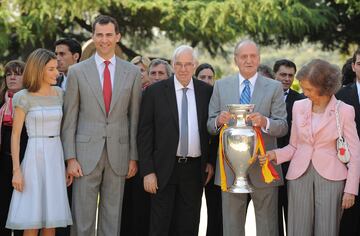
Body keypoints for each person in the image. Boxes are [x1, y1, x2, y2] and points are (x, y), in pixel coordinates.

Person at [61, 15, 141, 236]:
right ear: (93, 36)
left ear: (117, 37)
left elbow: (134, 117)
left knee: (112, 218)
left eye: (108, 35)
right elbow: (70, 119)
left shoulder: (132, 72)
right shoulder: (77, 71)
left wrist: (133, 156)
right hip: (84, 155)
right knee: (82, 219)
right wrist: (70, 158)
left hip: (120, 153)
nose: (104, 40)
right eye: (99, 35)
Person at [262, 59, 360, 236]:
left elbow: (355, 154)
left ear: (324, 87)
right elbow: (294, 146)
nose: (304, 93)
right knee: (297, 230)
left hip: (332, 179)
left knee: (327, 230)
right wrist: (273, 155)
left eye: (308, 89)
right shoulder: (299, 107)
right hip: (298, 176)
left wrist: (351, 190)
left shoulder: (344, 110)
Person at [207, 39, 287, 236]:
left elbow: (283, 126)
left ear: (259, 59)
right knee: (232, 227)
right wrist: (218, 121)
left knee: (268, 227)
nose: (248, 60)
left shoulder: (274, 87)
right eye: (244, 56)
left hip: (264, 166)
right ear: (236, 59)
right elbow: (209, 125)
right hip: (230, 169)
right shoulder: (220, 86)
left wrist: (265, 121)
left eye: (253, 56)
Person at [138, 45, 214, 236]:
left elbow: (212, 131)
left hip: (194, 170)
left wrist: (210, 162)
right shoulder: (155, 92)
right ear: (173, 65)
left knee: (188, 226)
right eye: (179, 64)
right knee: (160, 226)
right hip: (163, 169)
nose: (183, 68)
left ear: (195, 65)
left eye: (188, 64)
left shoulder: (206, 92)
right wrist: (148, 171)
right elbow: (144, 133)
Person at [6, 48, 72, 236]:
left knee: (51, 220)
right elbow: (15, 136)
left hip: (55, 157)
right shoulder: (23, 96)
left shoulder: (60, 94)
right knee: (32, 220)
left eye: (56, 68)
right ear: (38, 70)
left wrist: (68, 163)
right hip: (34, 159)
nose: (57, 73)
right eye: (51, 69)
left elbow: (67, 130)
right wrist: (16, 171)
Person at [273, 59, 305, 236]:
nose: (286, 79)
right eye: (282, 74)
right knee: (273, 214)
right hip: (269, 162)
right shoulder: (265, 99)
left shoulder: (301, 100)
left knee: (292, 214)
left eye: (290, 76)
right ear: (274, 74)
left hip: (293, 165)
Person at [195, 63, 222, 236]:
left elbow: (216, 136)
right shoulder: (191, 98)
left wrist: (211, 162)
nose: (206, 81)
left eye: (210, 77)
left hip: (214, 165)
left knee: (215, 213)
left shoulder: (219, 100)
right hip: (193, 164)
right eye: (202, 77)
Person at [0, 60, 27, 236]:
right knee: (2, 205)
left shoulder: (31, 100)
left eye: (17, 73)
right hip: (2, 160)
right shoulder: (0, 101)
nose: (12, 77)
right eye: (9, 74)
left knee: (20, 208)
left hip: (24, 159)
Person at [336, 48, 360, 236]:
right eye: (359, 64)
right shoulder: (341, 96)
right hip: (348, 165)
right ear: (353, 66)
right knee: (349, 220)